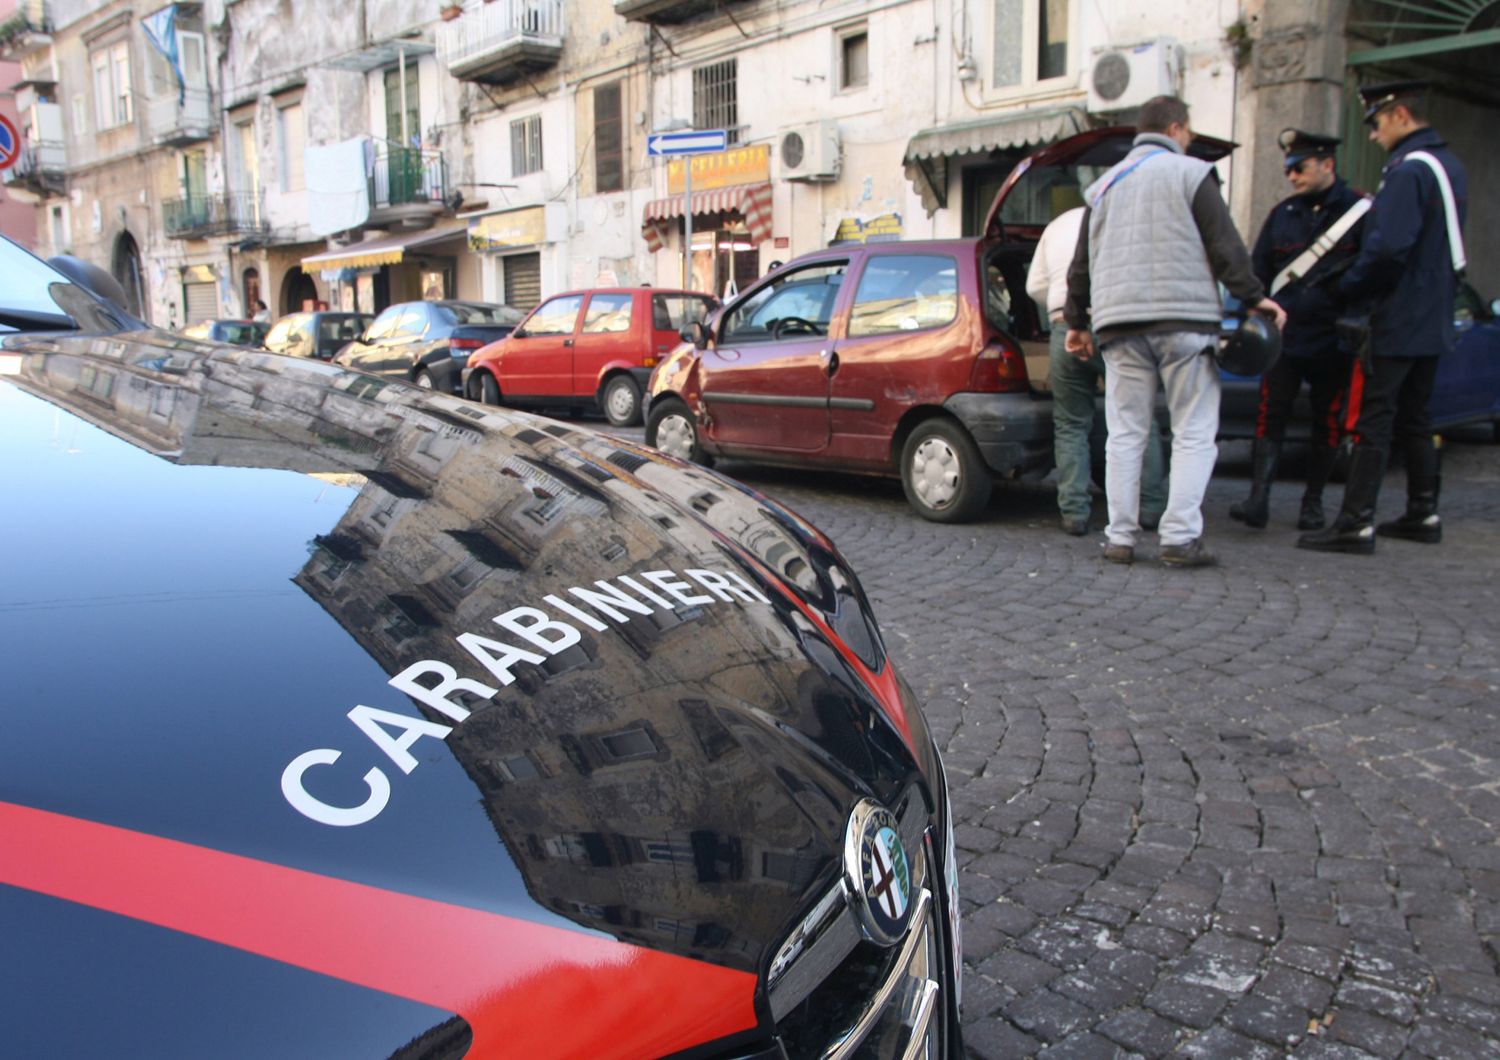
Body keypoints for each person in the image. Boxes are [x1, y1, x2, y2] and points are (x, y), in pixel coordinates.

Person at [1063, 96, 1286, 567]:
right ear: (1177, 129)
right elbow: (1223, 243)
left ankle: (1120, 537)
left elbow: (1081, 263)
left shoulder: (1104, 187)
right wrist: (1253, 297)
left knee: (1125, 432)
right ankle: (1179, 538)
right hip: (1184, 320)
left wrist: (1077, 322)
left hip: (1119, 323)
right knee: (1193, 429)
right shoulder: (1190, 172)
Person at [1299, 81, 1467, 555]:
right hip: (1433, 315)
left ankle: (1355, 522)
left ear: (1398, 115)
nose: (1372, 134)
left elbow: (1389, 248)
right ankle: (1423, 511)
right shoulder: (1449, 167)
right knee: (1416, 417)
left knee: (1374, 418)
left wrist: (1349, 289)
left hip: (1399, 314)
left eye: (1375, 123)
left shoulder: (1409, 171)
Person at [1230, 129, 1368, 531]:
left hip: (1333, 337)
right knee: (1270, 416)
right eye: (1289, 168)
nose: (1291, 176)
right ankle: (1259, 500)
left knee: (1327, 421)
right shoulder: (1283, 215)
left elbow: (1372, 274)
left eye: (1300, 167)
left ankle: (1313, 504)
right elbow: (1259, 272)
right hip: (1286, 338)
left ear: (1328, 164)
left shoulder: (1358, 212)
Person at [1026, 206, 1169, 536]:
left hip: (1065, 326)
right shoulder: (1125, 217)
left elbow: (1034, 286)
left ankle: (1074, 512)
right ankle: (1147, 507)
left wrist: (1061, 302)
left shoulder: (1056, 223)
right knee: (1139, 417)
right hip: (1115, 324)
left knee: (1071, 422)